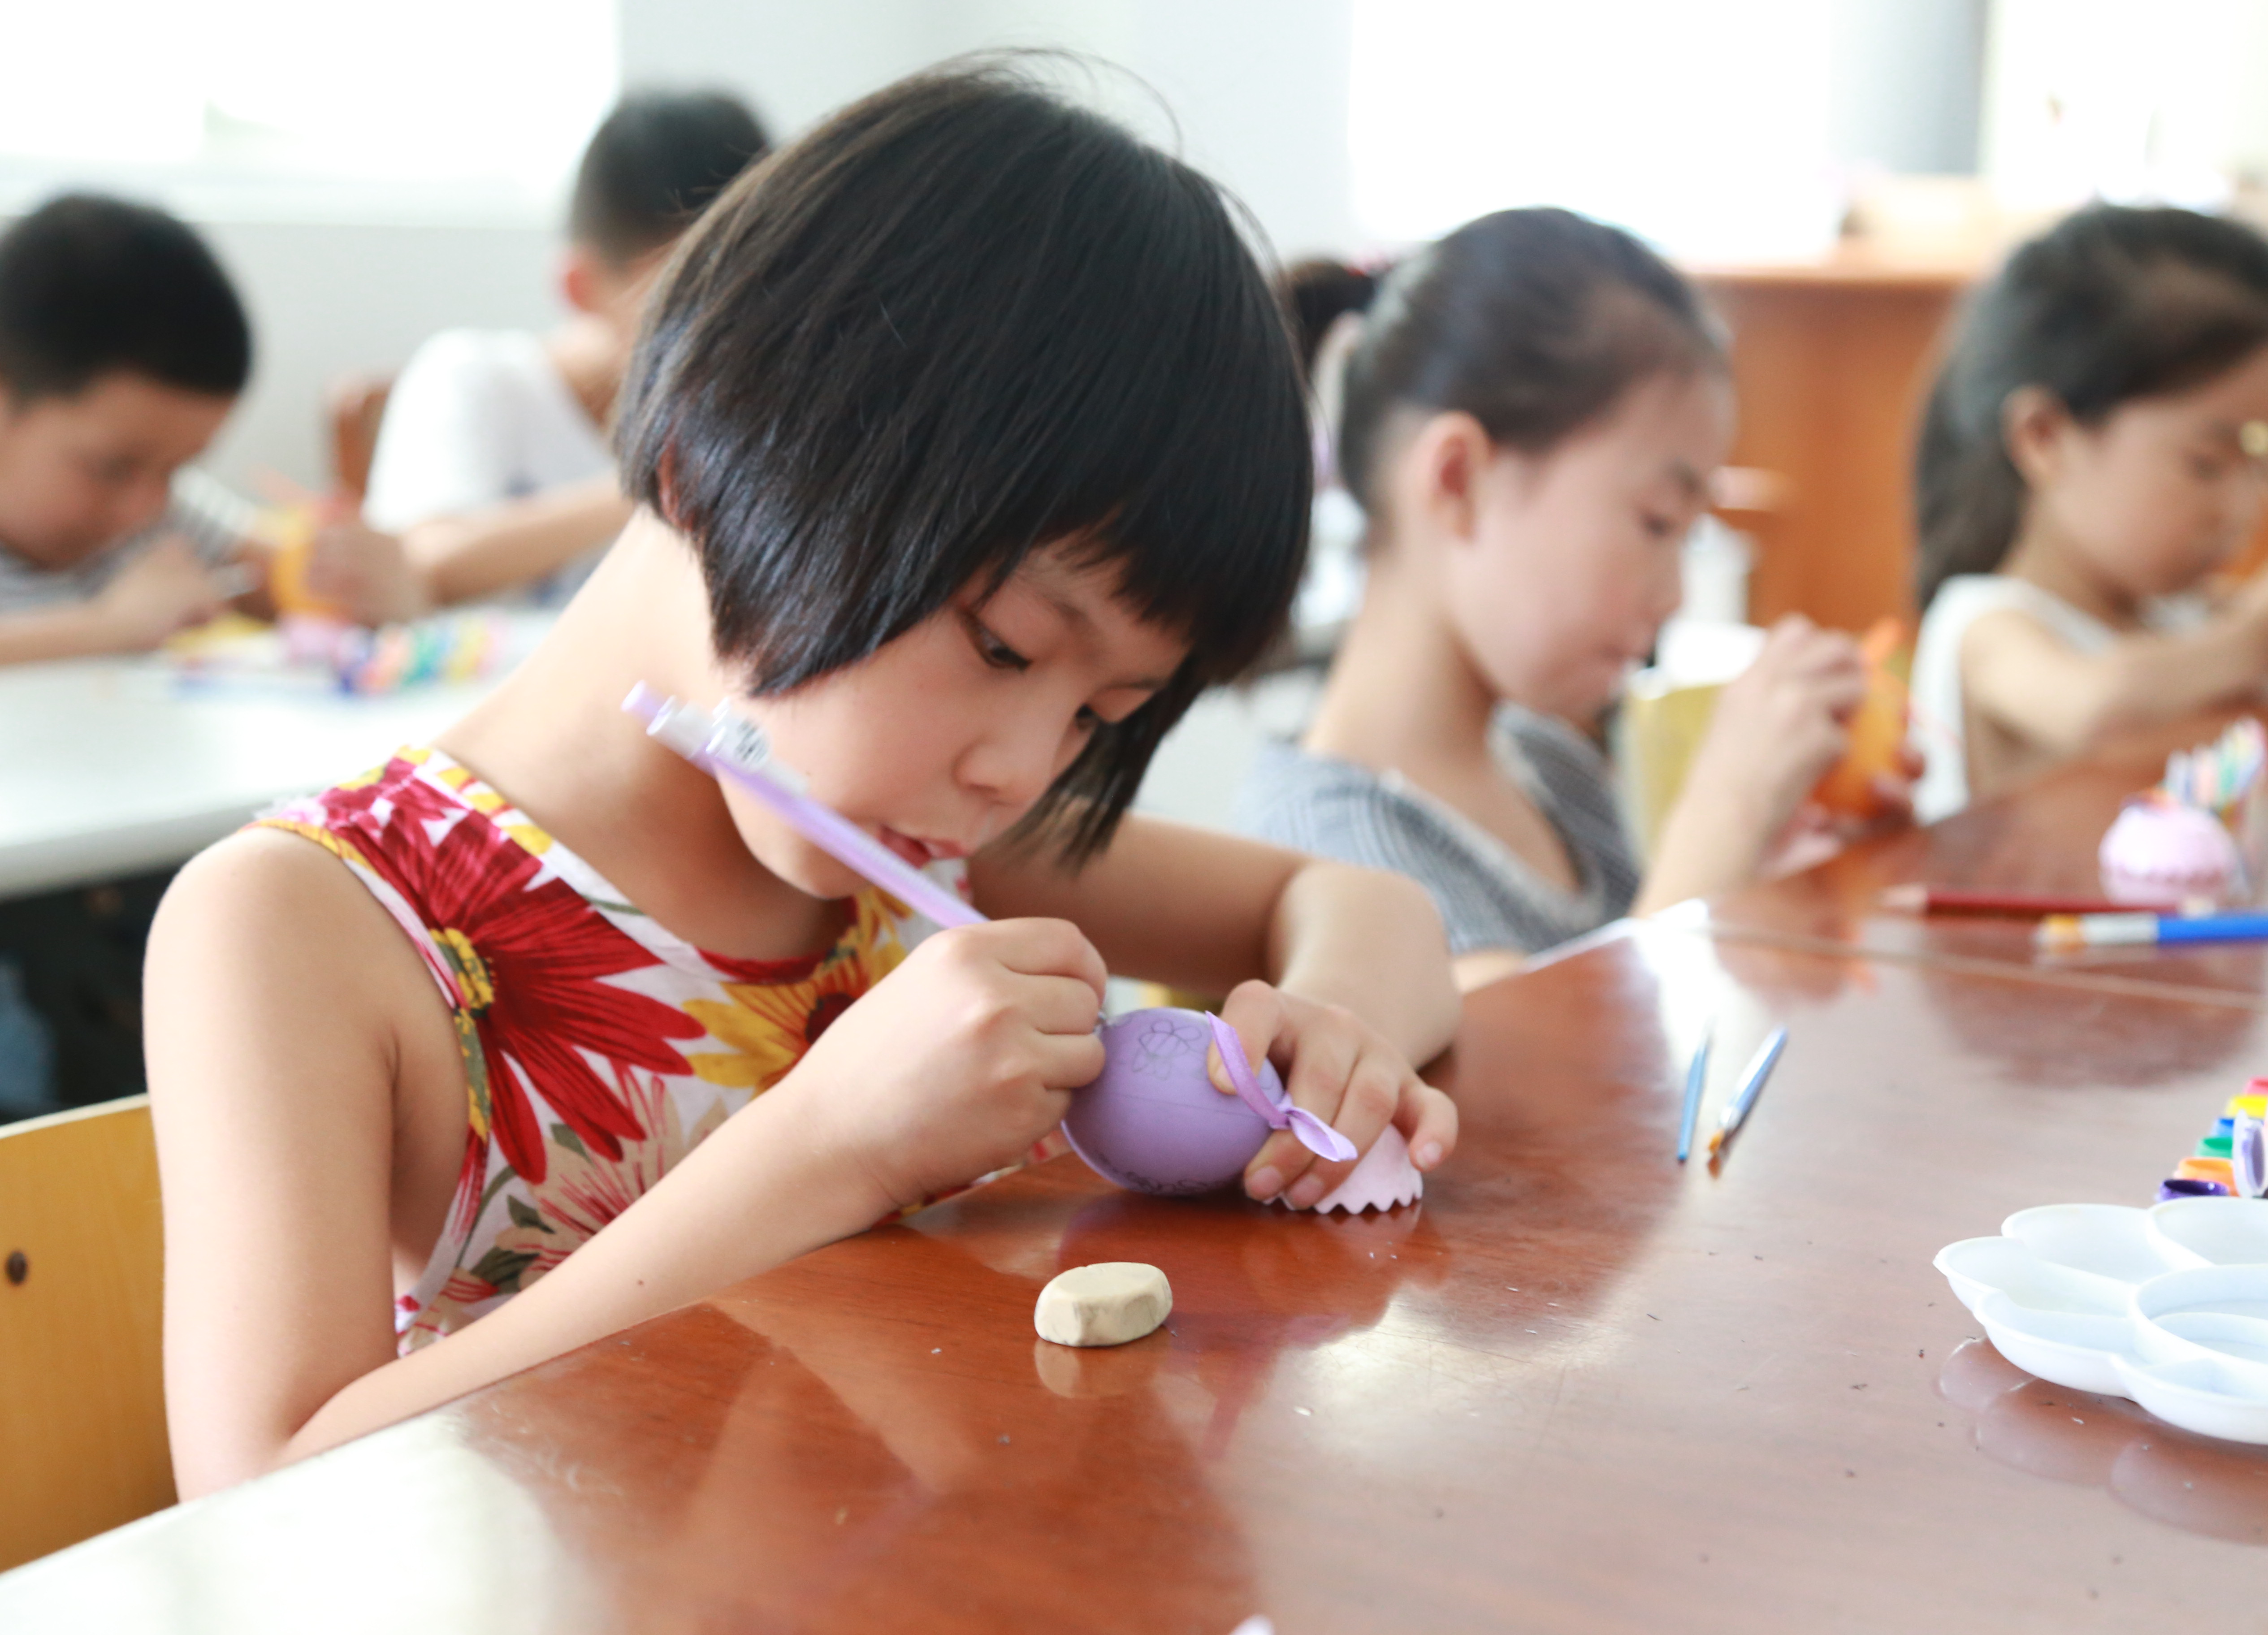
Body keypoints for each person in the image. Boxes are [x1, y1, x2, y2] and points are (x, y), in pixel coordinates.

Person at [145, 62, 1462, 1499]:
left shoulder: (930, 854)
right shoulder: (309, 928)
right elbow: (257, 1497)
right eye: (1004, 645)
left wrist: (1331, 1036)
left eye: (1101, 713)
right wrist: (830, 1147)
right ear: (715, 458)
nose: (1020, 769)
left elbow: (1366, 903)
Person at [1235, 208, 1874, 990]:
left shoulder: (1551, 765)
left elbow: (1653, 990)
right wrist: (1729, 810)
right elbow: (1544, 1056)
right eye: (1657, 522)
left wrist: (1762, 876)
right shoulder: (1320, 844)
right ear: (1459, 480)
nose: (1674, 594)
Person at [1909, 204, 2268, 820]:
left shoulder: (2188, 617)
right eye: (2207, 464)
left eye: (2265, 466)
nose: (2246, 508)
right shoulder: (1987, 626)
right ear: (2045, 437)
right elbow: (2099, 712)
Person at [316, 91, 771, 621]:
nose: (726, 328)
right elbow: (420, 559)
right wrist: (664, 486)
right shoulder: (474, 378)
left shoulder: (753, 409)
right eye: (689, 297)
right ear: (580, 287)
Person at [0, 194, 259, 666]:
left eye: (176, 469)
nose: (145, 510)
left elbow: (280, 570)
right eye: (113, 469)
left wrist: (354, 573)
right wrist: (108, 627)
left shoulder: (155, 516)